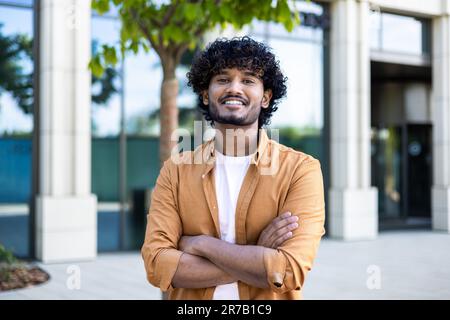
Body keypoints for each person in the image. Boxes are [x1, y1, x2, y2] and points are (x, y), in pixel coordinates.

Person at [141, 37, 325, 300]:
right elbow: (157, 266)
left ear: (265, 97)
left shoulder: (300, 170)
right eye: (223, 79)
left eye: (248, 80)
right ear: (206, 94)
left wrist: (199, 244)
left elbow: (288, 272)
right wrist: (257, 254)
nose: (234, 88)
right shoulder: (176, 171)